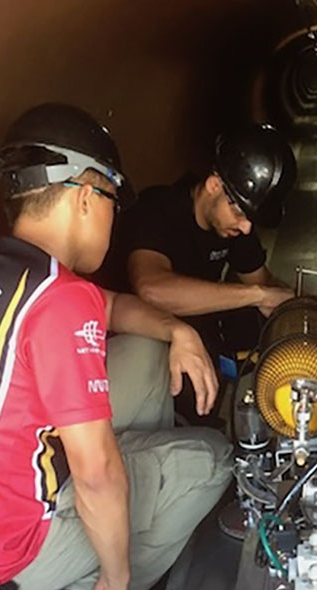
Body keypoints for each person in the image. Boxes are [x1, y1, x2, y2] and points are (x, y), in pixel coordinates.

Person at [0, 103, 232, 590]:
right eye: (112, 202)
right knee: (211, 458)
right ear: (84, 197)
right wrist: (120, 587)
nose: (114, 218)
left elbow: (118, 307)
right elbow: (97, 474)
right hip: (6, 549)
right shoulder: (60, 300)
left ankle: (120, 504)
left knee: (148, 351)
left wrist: (178, 330)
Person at [91, 124, 297, 391]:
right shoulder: (157, 209)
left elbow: (262, 283)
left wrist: (299, 302)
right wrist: (257, 295)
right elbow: (152, 290)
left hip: (196, 347)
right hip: (133, 355)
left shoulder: (235, 226)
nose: (246, 227)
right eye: (241, 214)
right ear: (214, 185)